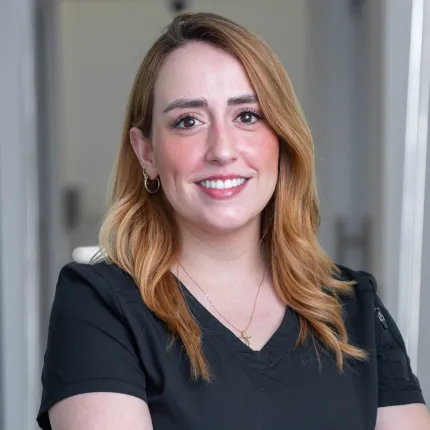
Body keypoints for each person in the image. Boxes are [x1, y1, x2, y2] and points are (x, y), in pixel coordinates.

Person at [37, 11, 430, 430]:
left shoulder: (355, 309)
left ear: (282, 138)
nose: (221, 149)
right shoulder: (99, 305)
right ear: (146, 152)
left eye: (247, 116)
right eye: (188, 121)